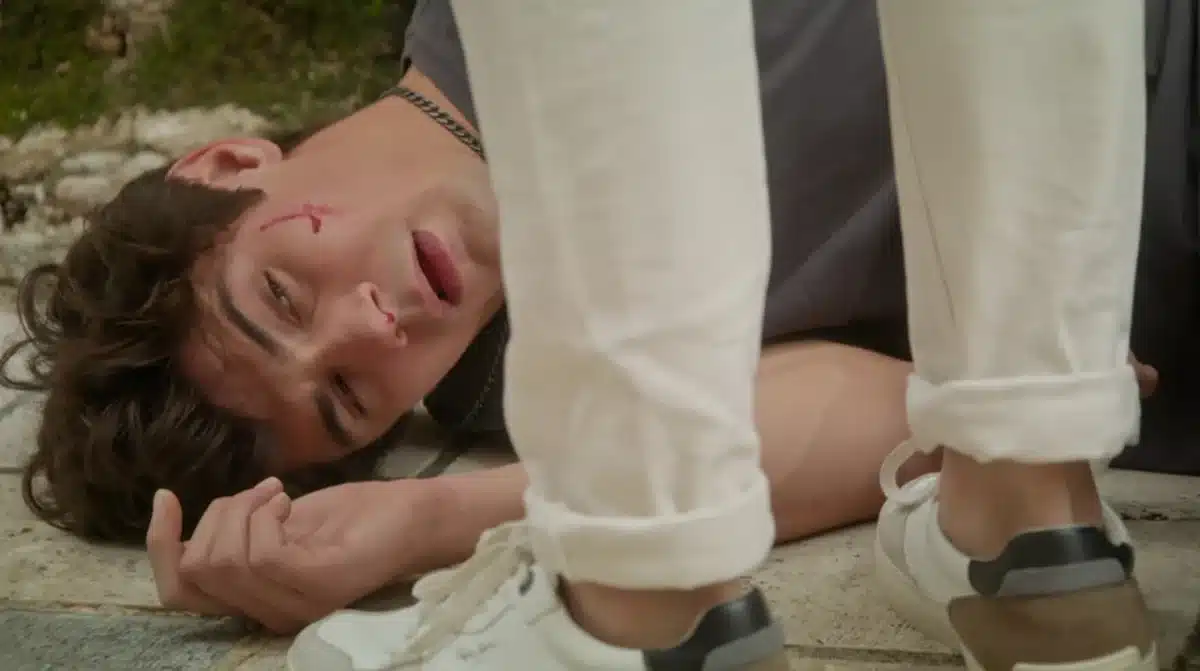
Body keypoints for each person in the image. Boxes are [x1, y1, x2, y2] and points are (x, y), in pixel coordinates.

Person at [0, 0, 1175, 667]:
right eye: (350, 396)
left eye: (282, 295)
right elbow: (897, 407)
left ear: (225, 163)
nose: (376, 321)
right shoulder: (529, 375)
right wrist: (431, 517)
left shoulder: (541, 28)